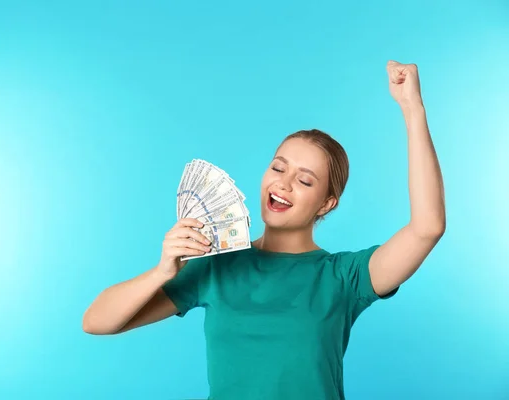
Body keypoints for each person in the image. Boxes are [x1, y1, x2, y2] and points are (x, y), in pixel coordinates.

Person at [82, 60, 446, 400]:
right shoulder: (216, 266)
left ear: (326, 204)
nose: (283, 184)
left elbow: (427, 228)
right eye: (278, 167)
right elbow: (96, 322)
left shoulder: (345, 277)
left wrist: (412, 109)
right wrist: (162, 270)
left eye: (304, 181)